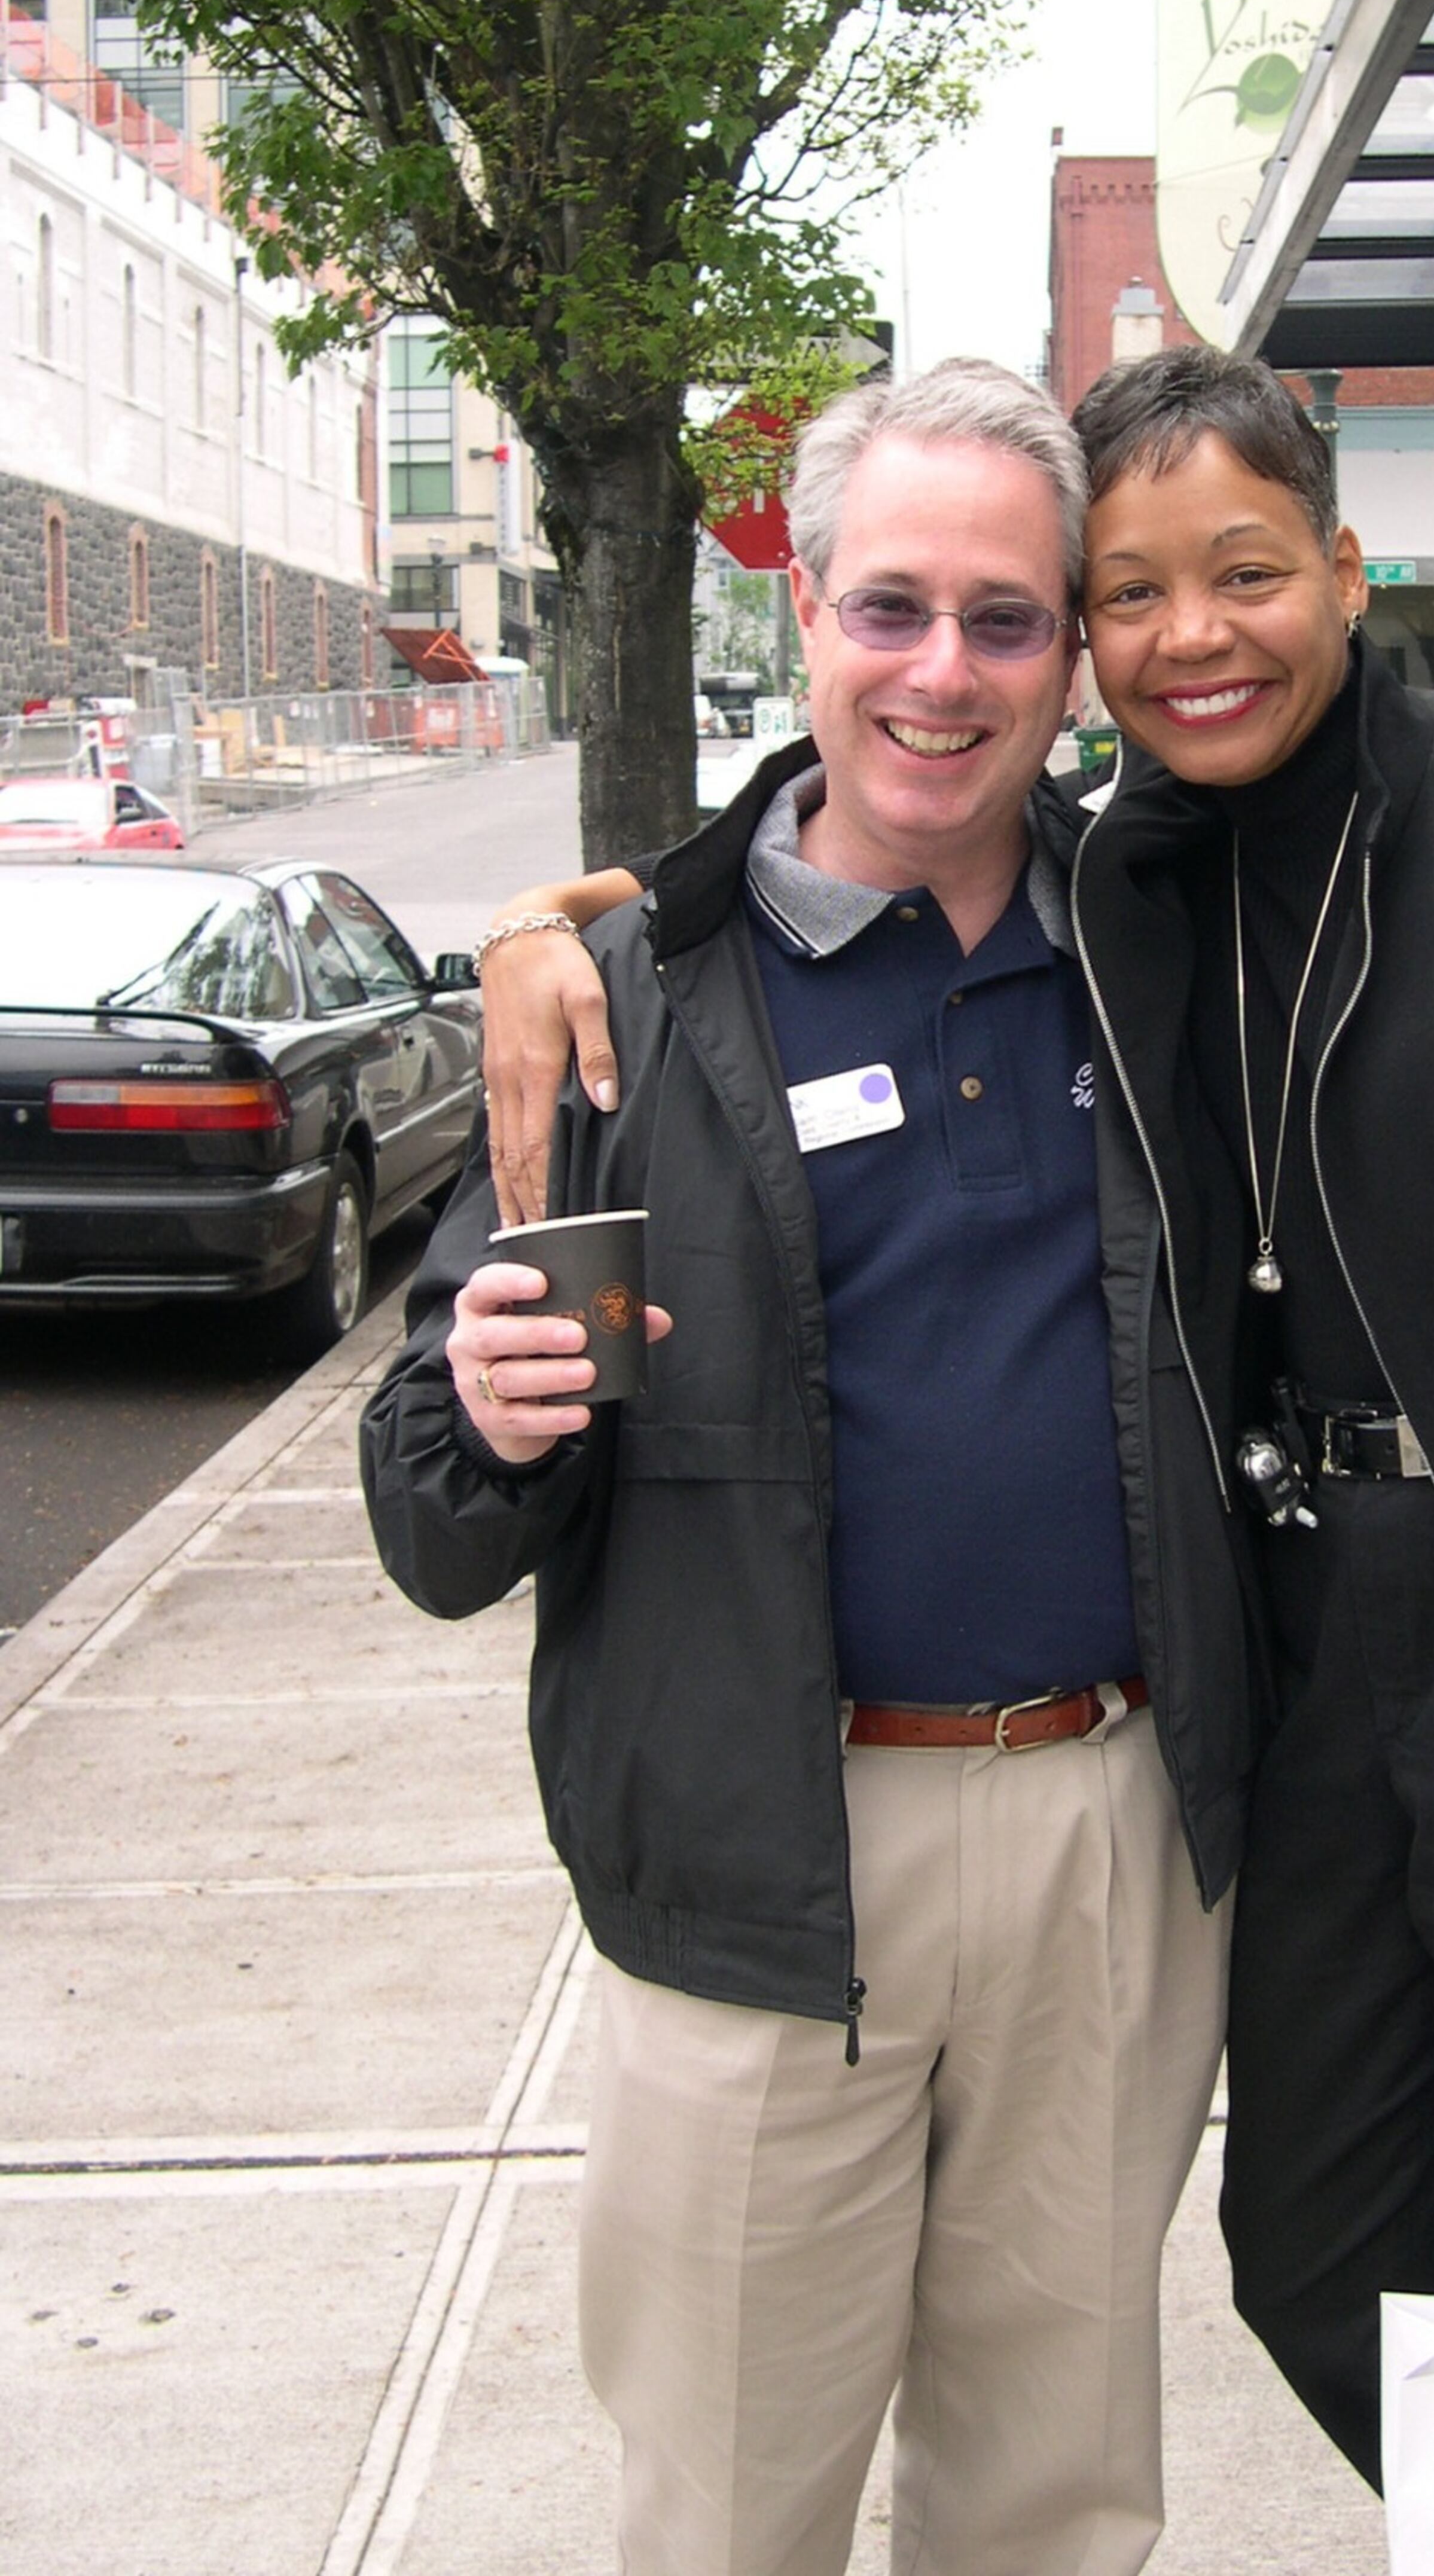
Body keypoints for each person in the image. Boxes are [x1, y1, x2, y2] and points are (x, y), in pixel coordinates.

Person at [454, 356, 1434, 2525]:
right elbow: (821, 848)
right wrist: (557, 920)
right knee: (1310, 2257)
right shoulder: (1152, 878)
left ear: (1352, 573)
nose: (1189, 634)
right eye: (1127, 594)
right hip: (1277, 1736)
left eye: (1245, 573)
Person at [361, 362, 1259, 2576]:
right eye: (890, 609)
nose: (940, 675)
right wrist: (477, 1414)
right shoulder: (624, 999)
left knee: (1054, 2499)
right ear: (805, 605)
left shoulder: (1172, 950)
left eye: (1003, 620)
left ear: (1074, 657)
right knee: (731, 2512)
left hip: (1111, 1845)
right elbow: (429, 1511)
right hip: (764, 1869)